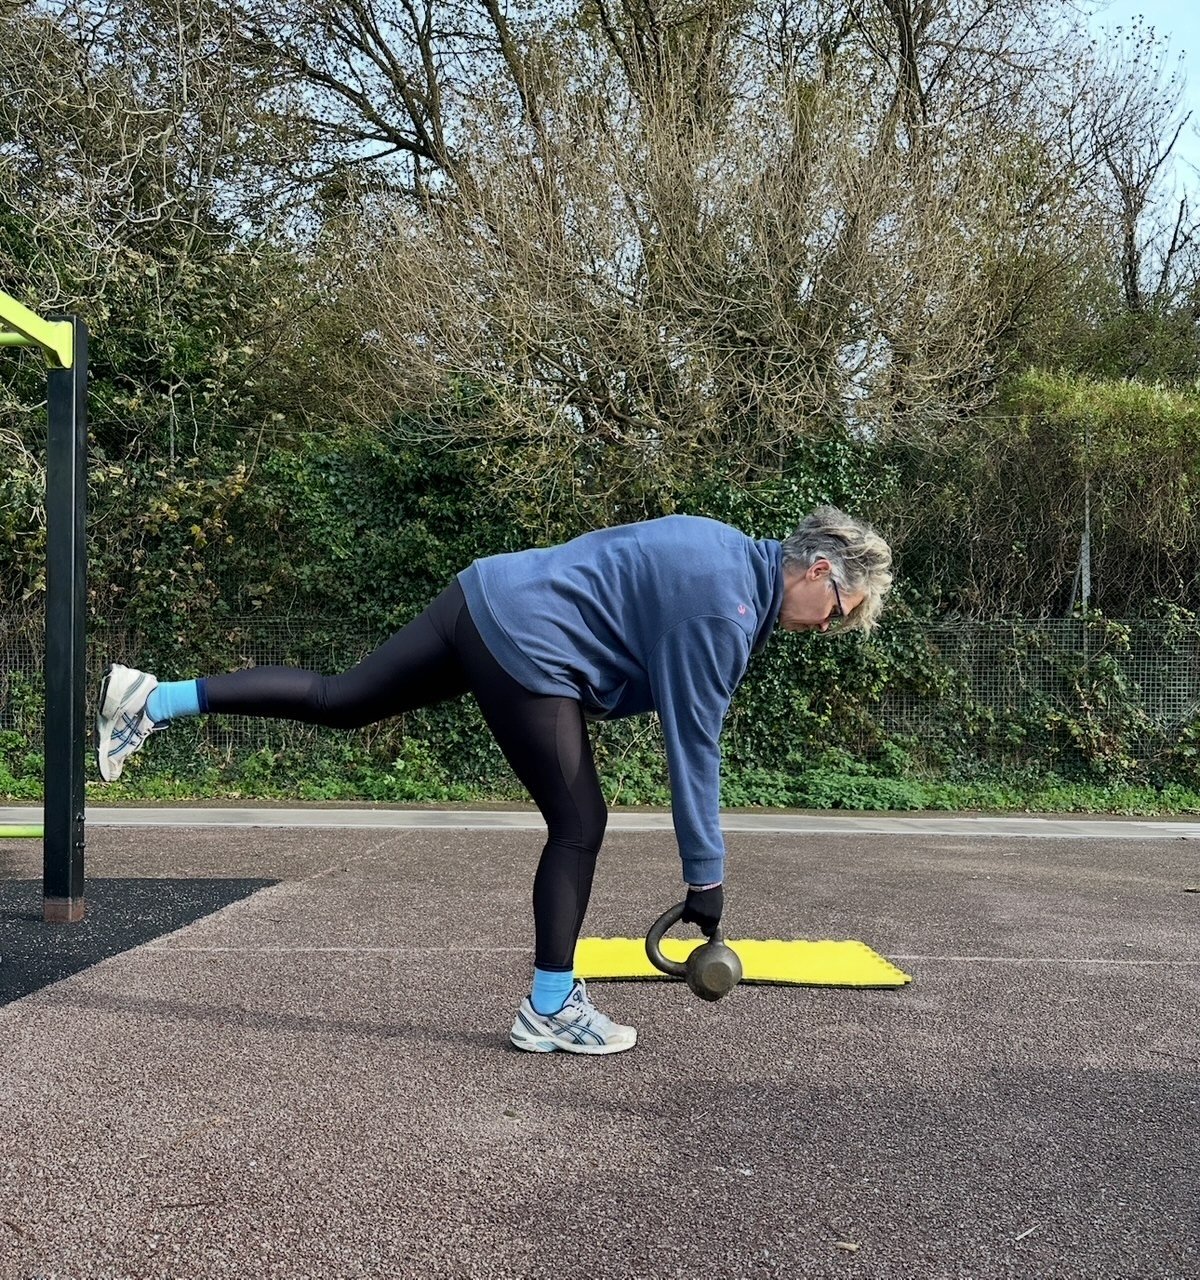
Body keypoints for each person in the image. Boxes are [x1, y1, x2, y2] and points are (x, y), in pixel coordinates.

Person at [97, 506, 892, 1055]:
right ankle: (549, 1007)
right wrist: (706, 882)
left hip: (482, 598)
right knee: (580, 824)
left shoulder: (725, 552)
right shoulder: (723, 610)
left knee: (343, 699)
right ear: (818, 567)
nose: (828, 626)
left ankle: (153, 697)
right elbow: (693, 748)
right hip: (530, 645)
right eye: (838, 609)